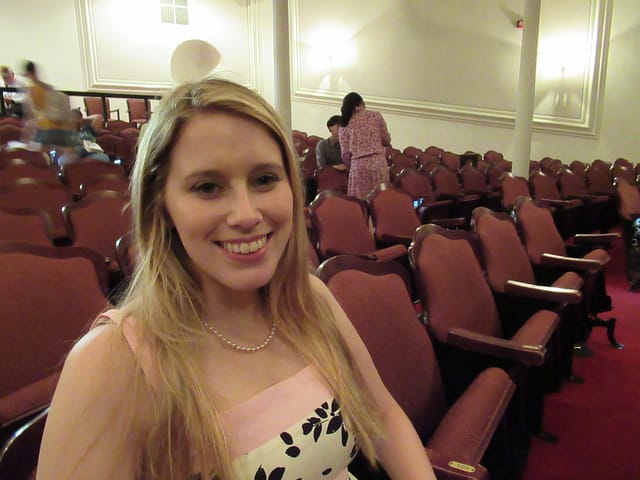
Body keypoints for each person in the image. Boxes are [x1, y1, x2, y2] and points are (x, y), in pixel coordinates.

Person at [36, 78, 436, 479]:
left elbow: (383, 415)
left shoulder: (310, 299)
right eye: (208, 187)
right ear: (163, 205)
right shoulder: (113, 362)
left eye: (264, 179)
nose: (246, 215)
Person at [338, 92, 391, 200]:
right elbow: (386, 139)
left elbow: (345, 155)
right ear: (361, 103)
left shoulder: (344, 124)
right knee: (380, 201)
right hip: (378, 165)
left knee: (359, 204)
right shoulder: (375, 116)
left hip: (358, 168)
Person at [22, 60, 74, 151]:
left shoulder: (33, 90)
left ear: (28, 74)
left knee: (40, 154)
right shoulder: (49, 88)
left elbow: (30, 117)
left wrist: (26, 139)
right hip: (62, 129)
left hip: (46, 130)